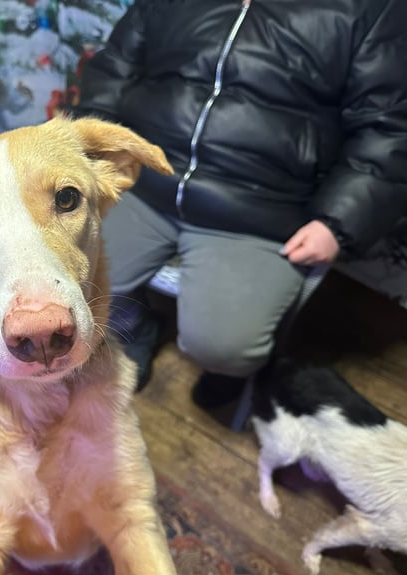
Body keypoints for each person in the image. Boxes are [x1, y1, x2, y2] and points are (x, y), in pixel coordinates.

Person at [72, 0, 407, 403]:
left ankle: (232, 373)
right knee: (68, 284)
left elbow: (388, 128)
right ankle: (134, 326)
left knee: (226, 348)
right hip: (144, 177)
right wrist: (84, 148)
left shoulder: (372, 10)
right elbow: (116, 67)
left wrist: (338, 223)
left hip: (262, 208)